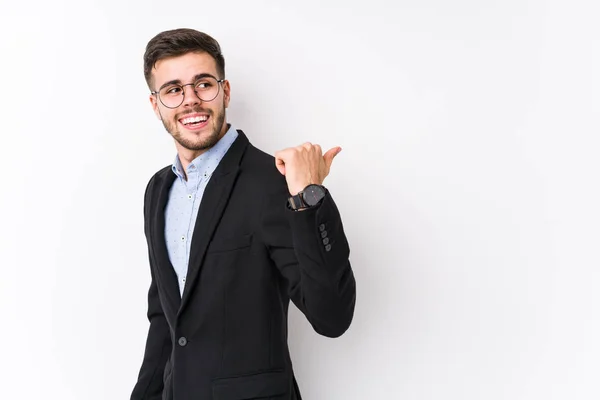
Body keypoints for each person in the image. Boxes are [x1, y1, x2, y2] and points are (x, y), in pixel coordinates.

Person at [130, 28, 356, 400]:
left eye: (203, 84)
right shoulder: (158, 191)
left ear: (225, 91)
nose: (190, 101)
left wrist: (309, 197)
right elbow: (165, 320)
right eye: (173, 90)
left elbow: (332, 316)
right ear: (156, 105)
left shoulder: (274, 182)